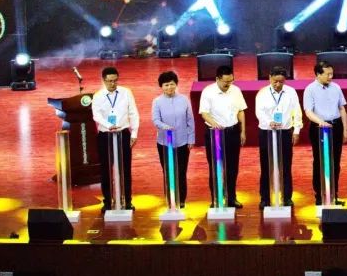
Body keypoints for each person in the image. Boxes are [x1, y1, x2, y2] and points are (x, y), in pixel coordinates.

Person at [198, 65, 247, 209]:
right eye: (226, 82)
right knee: (216, 167)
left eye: (231, 81)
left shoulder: (236, 90)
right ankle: (217, 199)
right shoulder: (208, 92)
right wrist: (215, 124)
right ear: (217, 79)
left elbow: (241, 111)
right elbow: (204, 113)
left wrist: (242, 131)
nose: (228, 84)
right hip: (215, 134)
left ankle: (231, 198)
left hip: (233, 132)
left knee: (232, 167)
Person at [92, 66, 140, 211]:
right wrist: (108, 125)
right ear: (104, 80)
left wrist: (134, 133)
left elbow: (133, 112)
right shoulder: (98, 96)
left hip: (123, 134)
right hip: (105, 135)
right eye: (109, 81)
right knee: (106, 170)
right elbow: (96, 115)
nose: (113, 84)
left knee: (125, 169)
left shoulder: (126, 92)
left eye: (115, 80)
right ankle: (107, 201)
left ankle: (127, 201)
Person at [253, 66, 301, 209]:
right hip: (267, 132)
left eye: (281, 82)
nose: (278, 84)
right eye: (275, 81)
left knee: (286, 166)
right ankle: (265, 198)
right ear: (270, 78)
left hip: (285, 132)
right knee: (266, 167)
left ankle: (287, 197)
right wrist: (270, 122)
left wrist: (296, 130)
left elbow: (297, 111)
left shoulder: (291, 92)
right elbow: (259, 112)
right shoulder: (262, 93)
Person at [303, 61, 347, 206]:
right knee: (320, 162)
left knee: (335, 161)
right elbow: (308, 112)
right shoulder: (310, 89)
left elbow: (341, 108)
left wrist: (346, 128)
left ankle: (334, 194)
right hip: (319, 128)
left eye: (332, 74)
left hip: (336, 126)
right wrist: (321, 122)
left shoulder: (336, 87)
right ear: (318, 74)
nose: (331, 77)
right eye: (327, 74)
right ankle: (320, 195)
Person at [150, 70, 194, 209]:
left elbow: (190, 120)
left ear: (176, 84)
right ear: (161, 86)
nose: (169, 87)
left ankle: (181, 199)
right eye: (166, 85)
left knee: (181, 171)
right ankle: (170, 199)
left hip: (182, 142)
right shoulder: (157, 101)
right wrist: (166, 127)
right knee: (168, 172)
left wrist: (191, 139)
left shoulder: (184, 99)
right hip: (165, 142)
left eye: (172, 84)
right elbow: (155, 120)